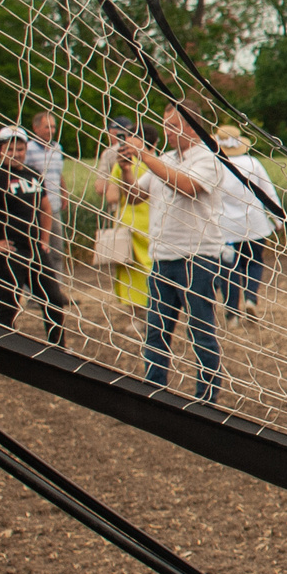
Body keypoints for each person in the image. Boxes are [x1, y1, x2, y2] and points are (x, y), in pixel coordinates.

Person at [123, 103, 230, 404]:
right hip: (163, 257)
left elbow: (186, 186)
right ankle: (154, 391)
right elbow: (135, 196)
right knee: (156, 330)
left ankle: (206, 397)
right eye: (165, 125)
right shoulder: (166, 158)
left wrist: (144, 155)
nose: (166, 132)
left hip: (198, 257)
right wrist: (128, 168)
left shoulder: (209, 158)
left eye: (172, 126)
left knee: (201, 332)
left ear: (192, 128)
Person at [0, 124, 66, 346]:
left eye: (20, 149)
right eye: (10, 149)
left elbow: (46, 208)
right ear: (0, 149)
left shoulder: (33, 174)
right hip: (9, 251)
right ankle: (4, 348)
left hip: (34, 249)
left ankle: (58, 348)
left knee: (54, 300)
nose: (15, 154)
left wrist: (45, 239)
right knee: (9, 304)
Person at [214, 129, 280, 319]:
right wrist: (278, 218)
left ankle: (232, 313)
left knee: (229, 269)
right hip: (254, 224)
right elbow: (268, 191)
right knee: (254, 263)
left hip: (225, 227)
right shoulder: (252, 163)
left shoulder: (215, 164)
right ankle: (251, 298)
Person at [92, 123, 154, 321]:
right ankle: (155, 310)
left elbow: (111, 196)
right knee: (151, 269)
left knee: (131, 271)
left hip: (129, 223)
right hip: (152, 225)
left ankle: (137, 316)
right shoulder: (157, 165)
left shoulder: (123, 164)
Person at [24, 109, 66, 253]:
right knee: (38, 248)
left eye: (53, 127)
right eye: (47, 127)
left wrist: (64, 194)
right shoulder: (28, 149)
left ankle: (57, 276)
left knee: (57, 249)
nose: (51, 130)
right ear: (36, 128)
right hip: (35, 207)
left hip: (54, 206)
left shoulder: (57, 148)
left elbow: (59, 174)